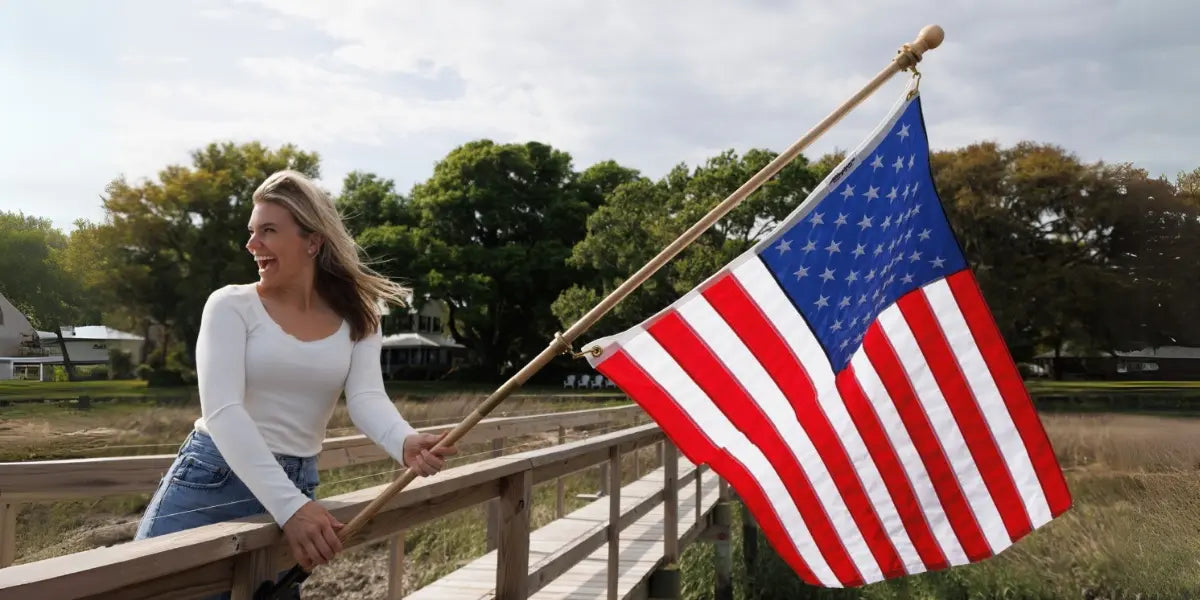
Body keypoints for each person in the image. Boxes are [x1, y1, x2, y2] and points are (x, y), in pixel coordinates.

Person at [134, 170, 457, 598]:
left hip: (296, 483)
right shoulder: (230, 305)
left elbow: (364, 397)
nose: (253, 245)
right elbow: (223, 412)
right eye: (252, 232)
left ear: (313, 241)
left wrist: (404, 440)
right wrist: (293, 508)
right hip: (213, 481)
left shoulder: (360, 316)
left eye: (268, 231)